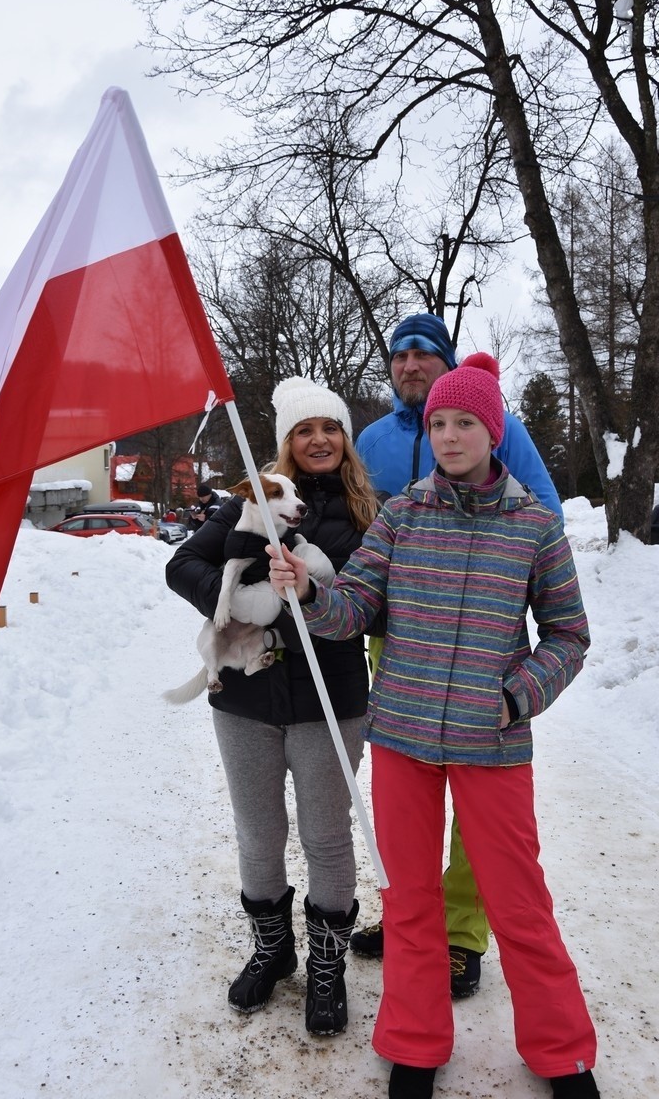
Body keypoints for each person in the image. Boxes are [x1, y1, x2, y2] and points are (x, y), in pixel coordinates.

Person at [267, 354, 599, 1099]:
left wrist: (516, 696)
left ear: (493, 430)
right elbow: (354, 607)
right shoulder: (401, 514)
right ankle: (415, 1042)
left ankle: (563, 1051)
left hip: (494, 743)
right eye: (441, 422)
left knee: (518, 902)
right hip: (405, 740)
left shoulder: (534, 526)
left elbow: (569, 635)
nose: (449, 436)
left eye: (466, 423)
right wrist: (309, 593)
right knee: (411, 899)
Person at [351, 312, 564, 997]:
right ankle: (409, 914)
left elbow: (544, 515)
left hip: (479, 640)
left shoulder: (491, 421)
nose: (410, 363)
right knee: (404, 794)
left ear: (447, 365)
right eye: (400, 354)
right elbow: (358, 531)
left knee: (476, 794)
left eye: (424, 353)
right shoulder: (374, 439)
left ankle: (464, 934)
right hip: (399, 635)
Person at [165, 376, 380, 1035]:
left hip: (329, 698)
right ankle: (273, 949)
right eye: (304, 430)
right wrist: (238, 600)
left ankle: (326, 965)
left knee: (324, 836)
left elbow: (378, 605)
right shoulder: (250, 502)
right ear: (288, 443)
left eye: (330, 428)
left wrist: (315, 592)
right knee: (259, 833)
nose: (318, 440)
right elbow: (182, 567)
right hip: (247, 700)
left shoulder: (373, 513)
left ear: (345, 439)